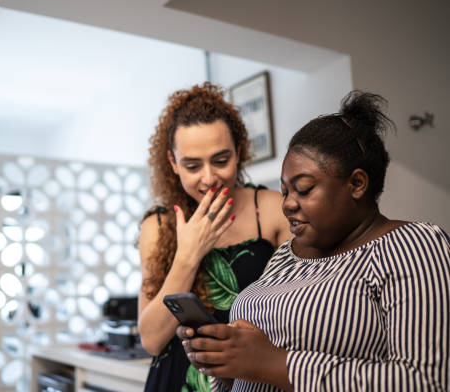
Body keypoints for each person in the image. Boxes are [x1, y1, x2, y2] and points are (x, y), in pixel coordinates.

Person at [177, 90, 450, 391]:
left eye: (304, 189)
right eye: (285, 192)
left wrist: (273, 363)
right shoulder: (285, 255)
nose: (288, 205)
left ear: (357, 184)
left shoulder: (414, 246)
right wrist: (225, 364)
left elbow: (426, 381)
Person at [138, 82, 292, 391]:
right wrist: (189, 254)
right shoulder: (158, 226)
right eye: (192, 166)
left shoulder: (273, 210)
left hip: (251, 380)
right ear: (173, 163)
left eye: (221, 160)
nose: (209, 178)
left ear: (239, 151)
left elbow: (298, 316)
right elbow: (152, 340)